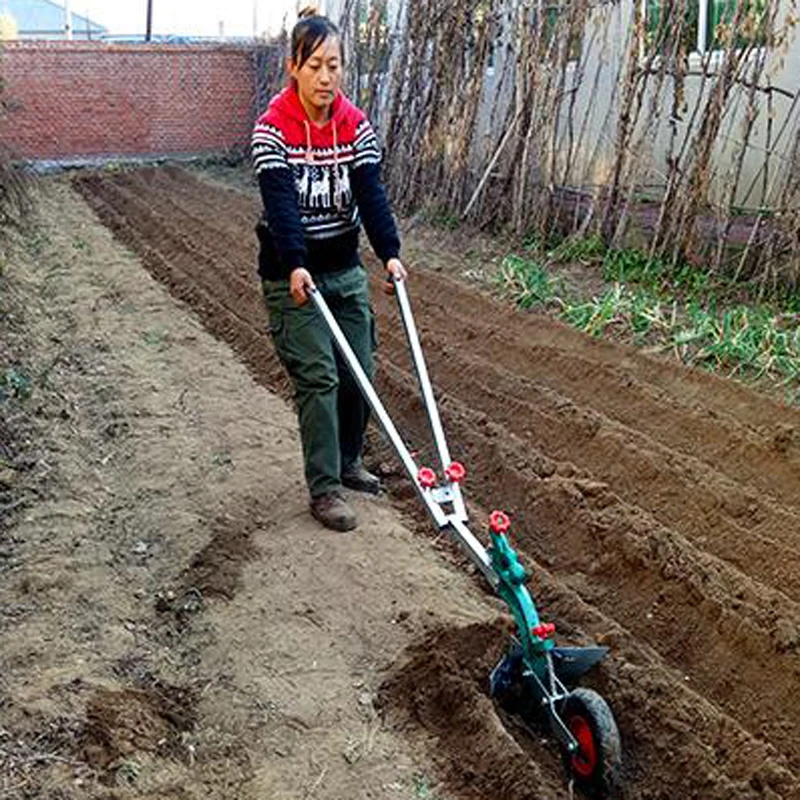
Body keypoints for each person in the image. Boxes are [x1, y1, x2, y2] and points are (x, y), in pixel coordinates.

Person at [252, 7, 407, 533]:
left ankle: (347, 462)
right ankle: (324, 489)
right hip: (292, 280)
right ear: (294, 65)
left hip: (342, 270)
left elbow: (371, 193)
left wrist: (390, 252)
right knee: (318, 376)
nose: (325, 77)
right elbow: (281, 208)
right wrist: (295, 263)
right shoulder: (271, 131)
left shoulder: (355, 126)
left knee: (358, 370)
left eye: (334, 66)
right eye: (315, 65)